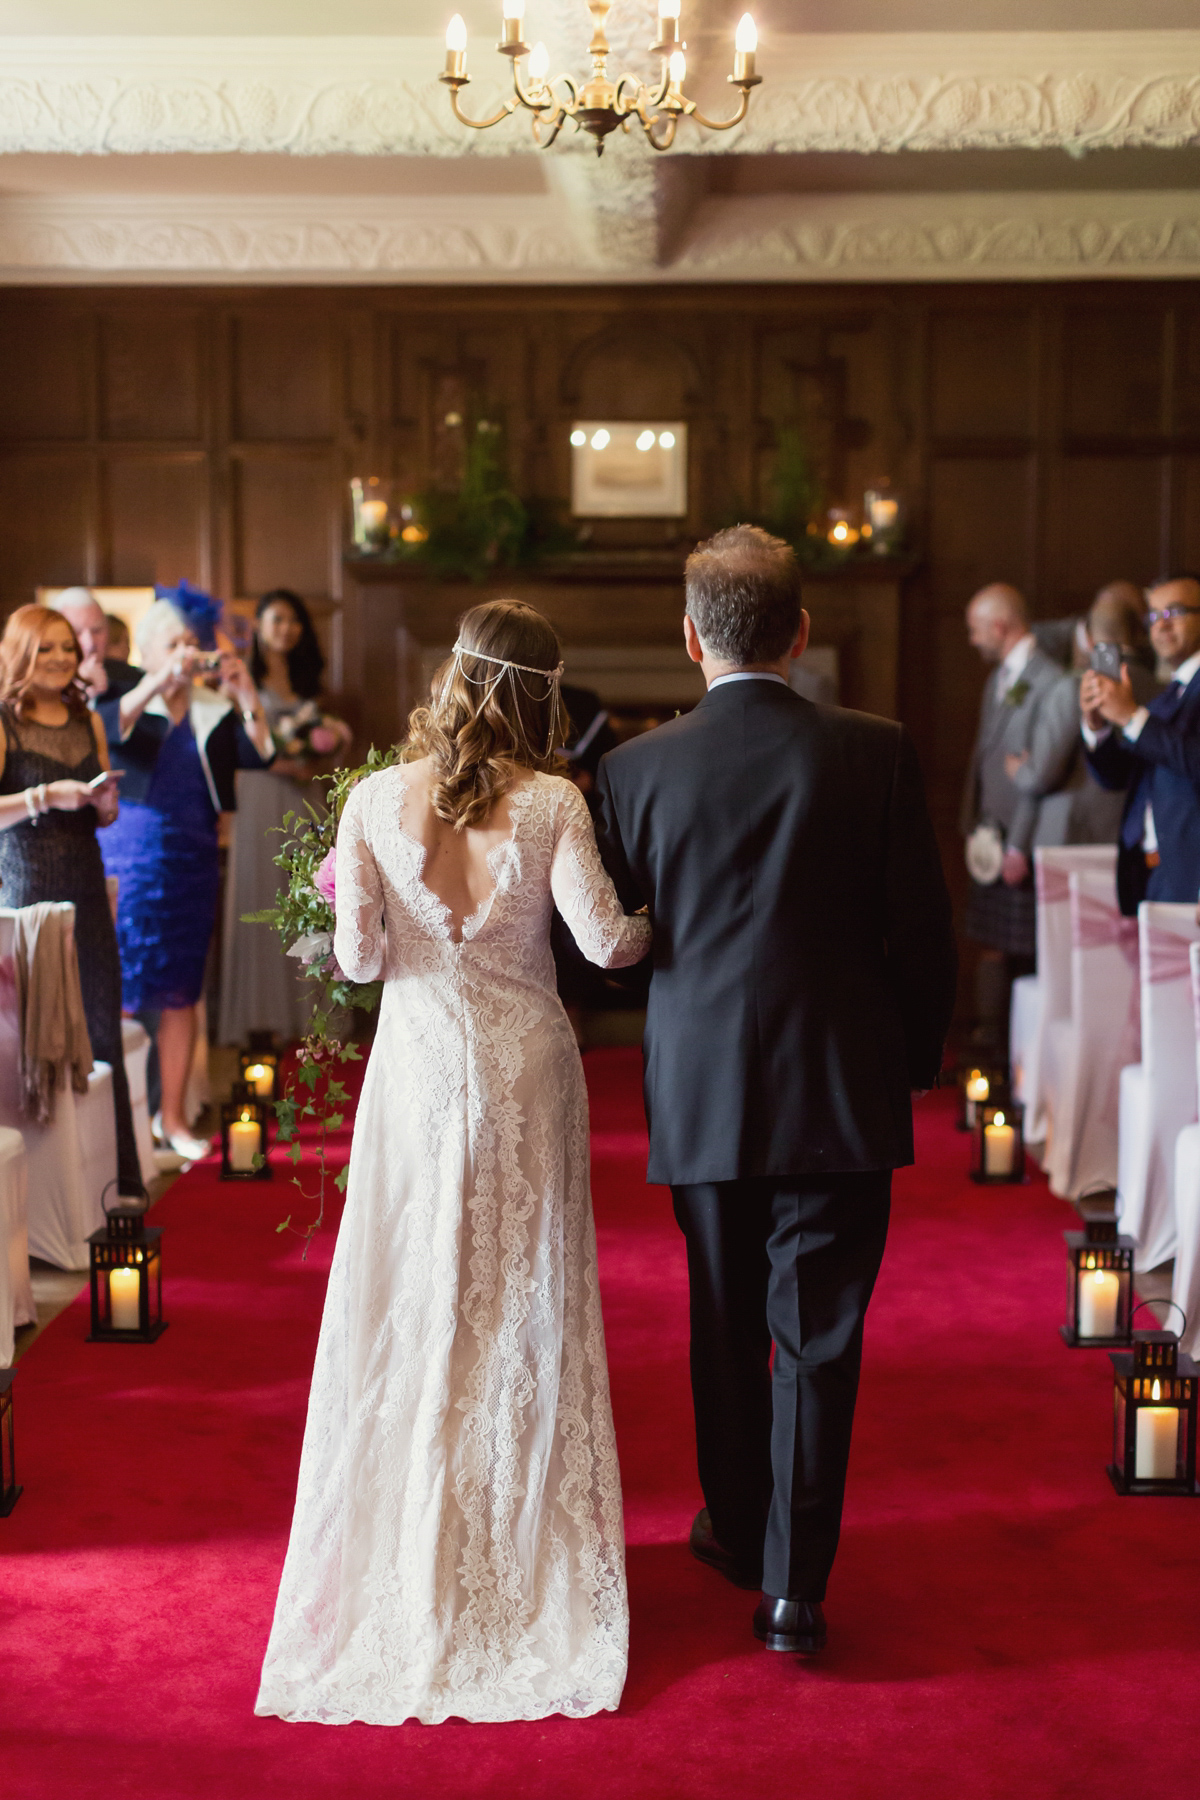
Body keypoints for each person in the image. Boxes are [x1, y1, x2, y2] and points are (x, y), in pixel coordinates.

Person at [256, 600, 650, 1727]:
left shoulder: (372, 799)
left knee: (417, 1298)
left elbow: (360, 955)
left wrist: (353, 901)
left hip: (421, 1076)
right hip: (526, 1073)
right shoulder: (555, 802)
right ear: (541, 696)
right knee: (520, 1302)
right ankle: (515, 1560)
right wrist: (668, 923)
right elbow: (604, 943)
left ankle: (413, 1546)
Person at [594, 525, 956, 1658]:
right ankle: (795, 1591)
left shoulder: (633, 769)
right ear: (800, 634)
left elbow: (610, 945)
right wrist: (907, 1066)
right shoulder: (878, 748)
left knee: (722, 1322)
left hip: (702, 1087)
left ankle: (740, 1532)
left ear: (691, 637)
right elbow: (925, 937)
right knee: (820, 1339)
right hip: (841, 1088)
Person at [97, 597, 274, 1161]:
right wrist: (155, 684)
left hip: (193, 862)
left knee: (181, 992)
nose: (183, 655)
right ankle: (118, 1130)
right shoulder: (126, 701)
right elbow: (107, 730)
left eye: (188, 644)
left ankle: (170, 1117)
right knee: (120, 986)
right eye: (171, 644)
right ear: (149, 652)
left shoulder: (209, 710)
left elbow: (259, 754)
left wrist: (245, 695)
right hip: (127, 859)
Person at [0, 605, 143, 1198]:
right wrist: (43, 797)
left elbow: (101, 805)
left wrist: (103, 806)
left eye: (67, 647)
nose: (61, 658)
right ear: (20, 654)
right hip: (27, 897)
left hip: (86, 887)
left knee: (102, 1029)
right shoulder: (5, 723)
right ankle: (45, 1194)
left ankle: (117, 1183)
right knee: (42, 1045)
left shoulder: (89, 719)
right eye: (47, 648)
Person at [218, 589, 350, 1046]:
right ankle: (262, 1017)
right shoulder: (239, 679)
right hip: (259, 795)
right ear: (257, 624)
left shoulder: (310, 683)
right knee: (261, 897)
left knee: (312, 900)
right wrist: (283, 762)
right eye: (276, 619)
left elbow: (327, 740)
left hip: (303, 796)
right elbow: (235, 742)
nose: (285, 628)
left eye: (294, 620)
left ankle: (311, 1018)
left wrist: (323, 748)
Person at [959, 583, 1062, 1063]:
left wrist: (1019, 845)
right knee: (993, 944)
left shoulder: (1049, 682)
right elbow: (988, 757)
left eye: (976, 629)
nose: (972, 639)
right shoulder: (997, 677)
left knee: (1022, 951)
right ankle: (991, 1046)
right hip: (989, 836)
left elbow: (1042, 776)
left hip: (1018, 841)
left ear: (1000, 627)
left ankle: (1016, 1060)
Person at [1082, 571, 1200, 915]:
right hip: (1153, 868)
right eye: (1154, 616)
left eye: (1174, 612)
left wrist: (1132, 717)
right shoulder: (1170, 694)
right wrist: (1098, 726)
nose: (1161, 625)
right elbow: (1119, 777)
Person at [1007, 584, 1159, 849]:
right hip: (1133, 830)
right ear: (1137, 634)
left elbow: (1042, 772)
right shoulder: (1162, 688)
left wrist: (1019, 770)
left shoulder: (1074, 687)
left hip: (1071, 830)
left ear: (1089, 639)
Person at [50, 586, 139, 707]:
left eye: (97, 631)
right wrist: (78, 692)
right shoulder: (45, 687)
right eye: (77, 632)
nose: (90, 643)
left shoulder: (131, 683)